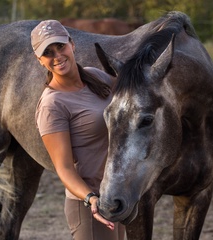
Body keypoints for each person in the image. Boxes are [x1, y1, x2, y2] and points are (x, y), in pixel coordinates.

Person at [31, 20, 125, 240]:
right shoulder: (52, 105)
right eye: (47, 52)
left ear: (71, 44)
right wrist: (91, 198)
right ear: (39, 60)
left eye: (60, 46)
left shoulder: (96, 77)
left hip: (114, 195)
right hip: (90, 205)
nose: (57, 56)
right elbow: (63, 168)